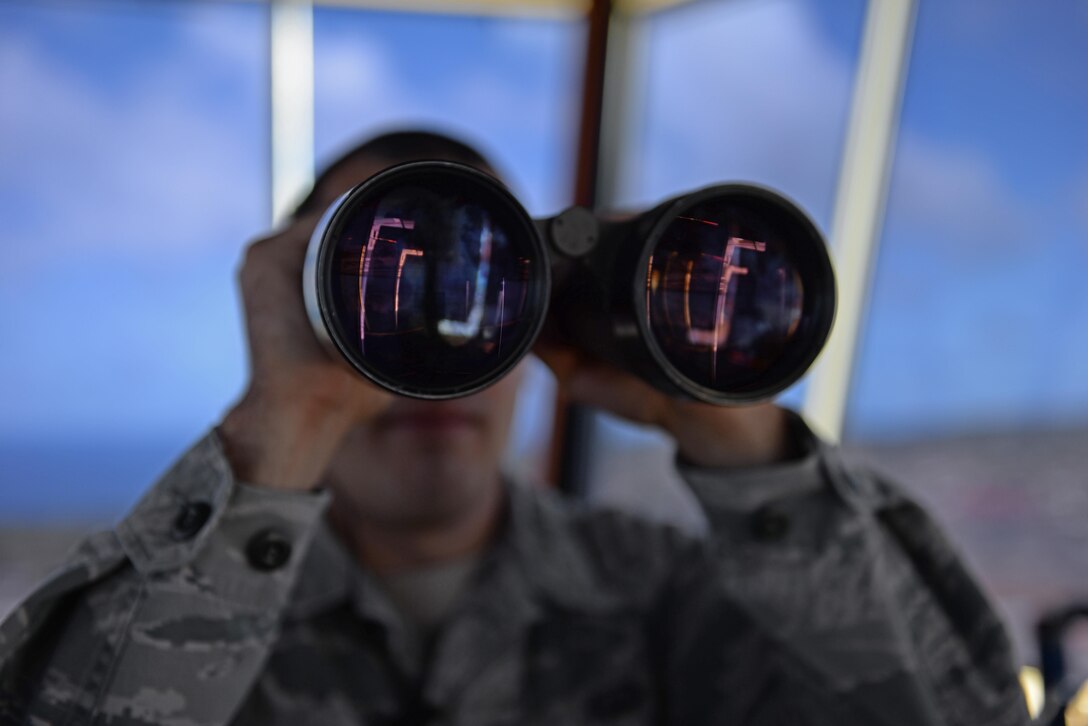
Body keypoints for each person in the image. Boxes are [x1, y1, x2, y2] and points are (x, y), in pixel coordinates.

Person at [0, 131, 1029, 726]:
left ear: (536, 331)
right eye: (387, 302)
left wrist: (744, 452)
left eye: (487, 292)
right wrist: (279, 422)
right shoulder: (209, 608)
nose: (445, 348)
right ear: (292, 317)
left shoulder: (659, 591)